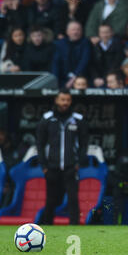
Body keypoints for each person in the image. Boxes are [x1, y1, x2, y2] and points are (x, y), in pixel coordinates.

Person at [36, 89, 89, 225]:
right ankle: (47, 226)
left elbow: (84, 144)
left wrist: (79, 164)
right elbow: (40, 144)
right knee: (51, 199)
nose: (65, 103)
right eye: (62, 99)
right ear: (56, 100)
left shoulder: (78, 119)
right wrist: (44, 166)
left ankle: (75, 226)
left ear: (71, 101)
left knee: (72, 198)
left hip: (71, 166)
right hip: (51, 167)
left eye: (68, 100)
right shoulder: (47, 119)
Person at [51, 21, 91, 88]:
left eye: (78, 30)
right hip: (62, 79)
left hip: (80, 78)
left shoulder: (86, 43)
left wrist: (73, 79)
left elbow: (84, 62)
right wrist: (55, 81)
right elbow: (56, 63)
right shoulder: (59, 44)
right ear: (67, 31)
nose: (75, 32)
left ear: (82, 31)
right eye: (73, 30)